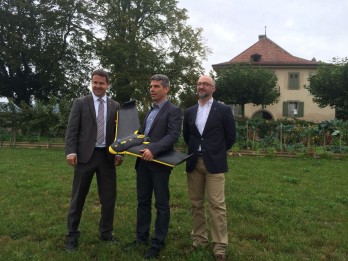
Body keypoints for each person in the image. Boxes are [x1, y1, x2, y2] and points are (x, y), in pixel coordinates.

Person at [64, 69, 123, 251]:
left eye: (101, 83)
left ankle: (106, 233)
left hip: (107, 157)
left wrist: (120, 152)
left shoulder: (115, 106)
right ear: (91, 83)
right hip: (84, 157)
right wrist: (71, 152)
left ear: (108, 85)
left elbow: (120, 133)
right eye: (95, 82)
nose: (98, 86)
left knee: (108, 198)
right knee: (78, 197)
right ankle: (72, 236)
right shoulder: (80, 103)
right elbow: (72, 130)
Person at [124, 74, 181, 259]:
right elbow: (143, 134)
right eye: (151, 86)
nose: (152, 90)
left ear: (166, 89)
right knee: (142, 201)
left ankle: (157, 243)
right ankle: (141, 238)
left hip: (160, 164)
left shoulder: (173, 111)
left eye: (156, 86)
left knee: (162, 204)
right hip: (142, 163)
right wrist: (125, 142)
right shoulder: (150, 111)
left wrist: (154, 150)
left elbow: (172, 136)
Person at [183, 75, 236, 261]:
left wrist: (216, 150)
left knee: (217, 205)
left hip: (215, 163)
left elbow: (231, 137)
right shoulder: (190, 111)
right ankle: (199, 239)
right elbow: (187, 136)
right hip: (194, 162)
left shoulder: (223, 110)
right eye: (199, 83)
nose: (201, 86)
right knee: (196, 204)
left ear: (213, 88)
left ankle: (220, 246)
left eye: (205, 84)